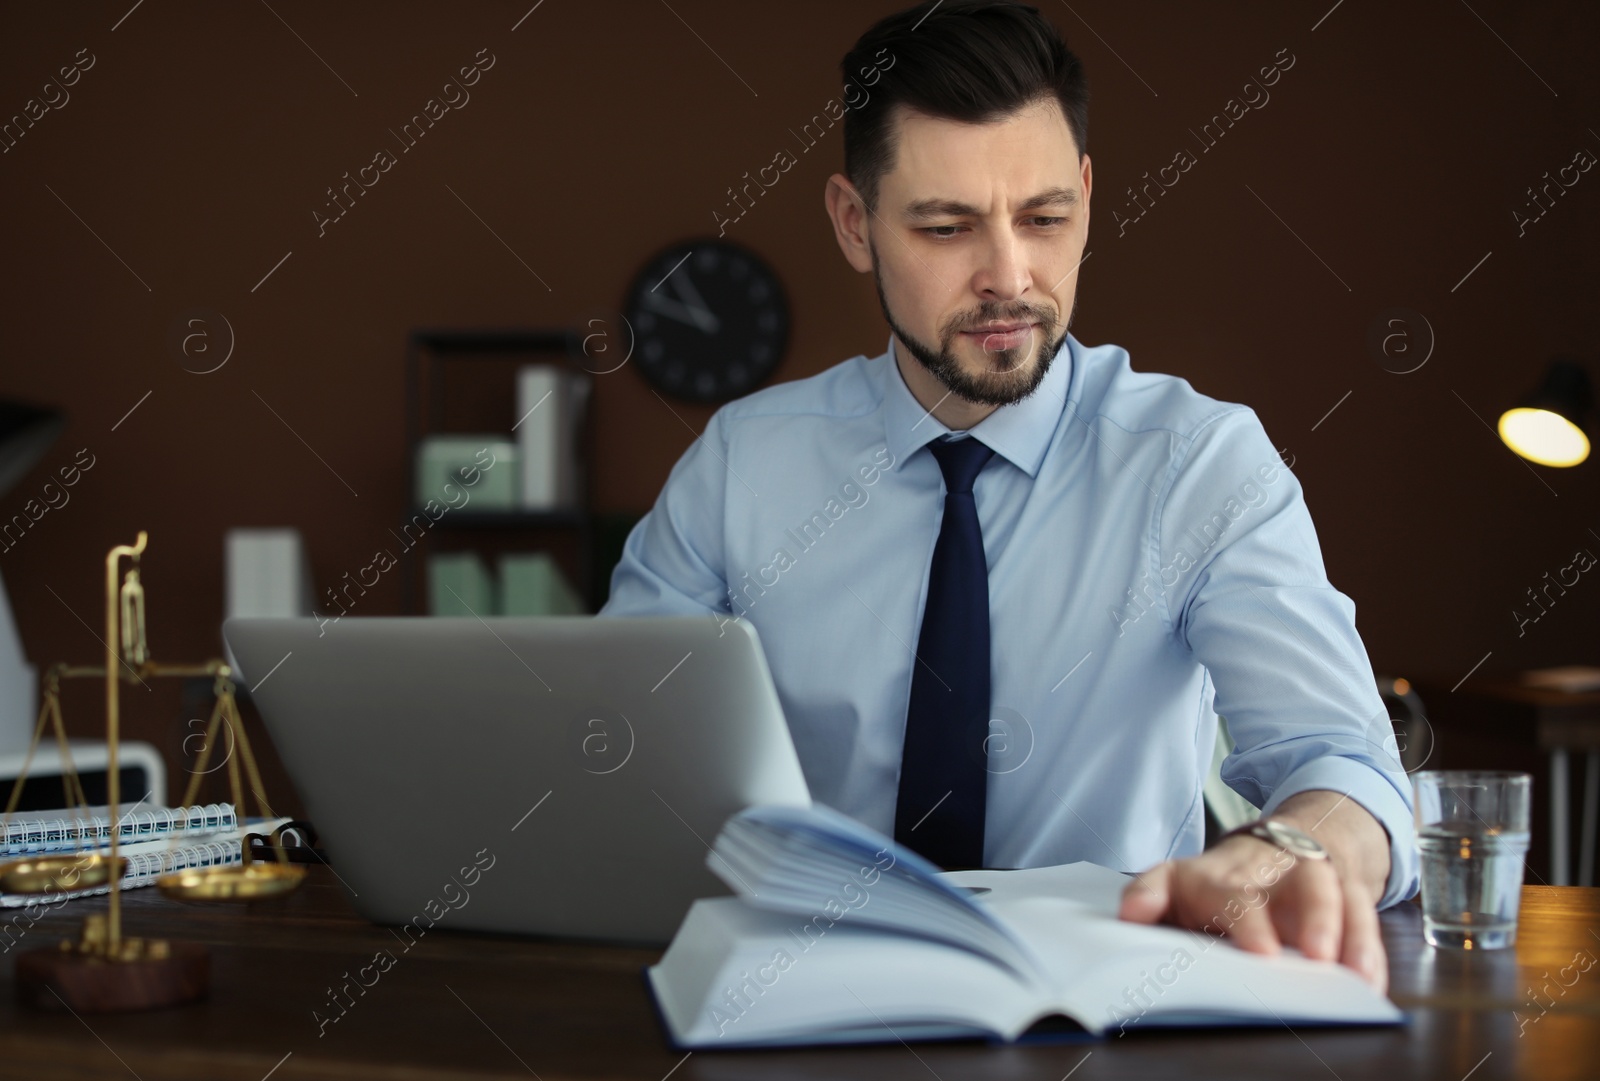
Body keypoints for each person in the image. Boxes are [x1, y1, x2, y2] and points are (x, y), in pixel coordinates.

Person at [598, 0, 1416, 993]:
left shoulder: (1198, 463)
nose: (1008, 276)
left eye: (1043, 218)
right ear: (854, 225)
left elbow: (1344, 761)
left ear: (1085, 194)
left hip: (1108, 1006)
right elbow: (609, 750)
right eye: (945, 227)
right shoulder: (742, 465)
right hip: (800, 992)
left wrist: (1293, 846)